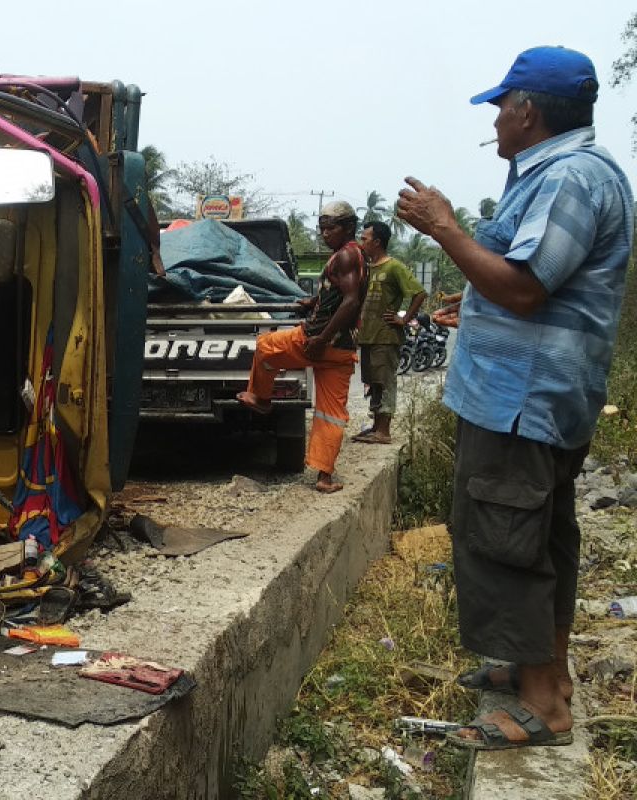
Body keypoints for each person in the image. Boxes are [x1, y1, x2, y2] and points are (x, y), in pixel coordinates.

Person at [397, 46, 633, 751]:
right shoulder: (552, 176)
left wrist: (443, 226)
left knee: (505, 543)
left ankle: (544, 708)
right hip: (530, 400)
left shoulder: (570, 179)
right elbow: (507, 267)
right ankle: (543, 674)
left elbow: (524, 289)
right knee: (539, 537)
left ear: (528, 111)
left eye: (502, 106)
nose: (496, 119)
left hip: (521, 402)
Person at [237, 200, 366, 492]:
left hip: (317, 339)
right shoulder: (358, 256)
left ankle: (261, 398)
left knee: (266, 346)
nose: (324, 234)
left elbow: (351, 301)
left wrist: (320, 339)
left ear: (348, 227)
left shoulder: (345, 257)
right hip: (343, 349)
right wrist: (315, 301)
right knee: (331, 413)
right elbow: (343, 297)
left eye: (330, 228)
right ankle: (324, 477)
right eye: (321, 228)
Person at [353, 221, 427, 444]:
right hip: (368, 336)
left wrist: (403, 319)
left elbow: (419, 293)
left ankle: (384, 431)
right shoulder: (366, 268)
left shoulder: (394, 267)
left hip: (385, 336)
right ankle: (376, 426)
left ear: (377, 242)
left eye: (365, 239)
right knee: (373, 381)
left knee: (384, 381)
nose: (361, 242)